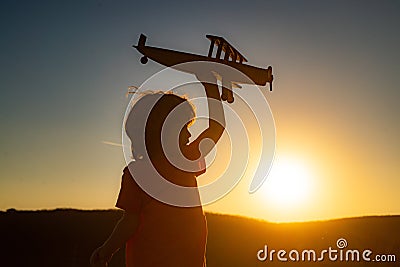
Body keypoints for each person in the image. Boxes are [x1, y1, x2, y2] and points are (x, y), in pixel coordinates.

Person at [90, 73, 225, 267]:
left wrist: (106, 251)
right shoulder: (180, 162)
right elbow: (216, 127)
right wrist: (210, 88)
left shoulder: (158, 167)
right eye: (184, 126)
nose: (189, 134)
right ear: (164, 129)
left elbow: (130, 222)